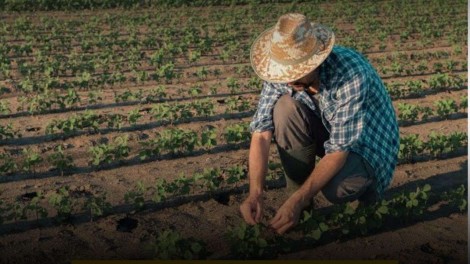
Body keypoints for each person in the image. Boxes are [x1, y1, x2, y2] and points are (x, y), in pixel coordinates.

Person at [239, 13, 399, 235]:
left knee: (337, 188)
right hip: (331, 136)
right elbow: (261, 133)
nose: (288, 80)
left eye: (297, 72)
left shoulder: (351, 74)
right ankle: (299, 203)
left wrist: (299, 199)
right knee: (285, 108)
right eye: (286, 73)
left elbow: (339, 151)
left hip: (368, 145)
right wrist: (255, 193)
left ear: (317, 60)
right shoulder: (281, 73)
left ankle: (368, 194)